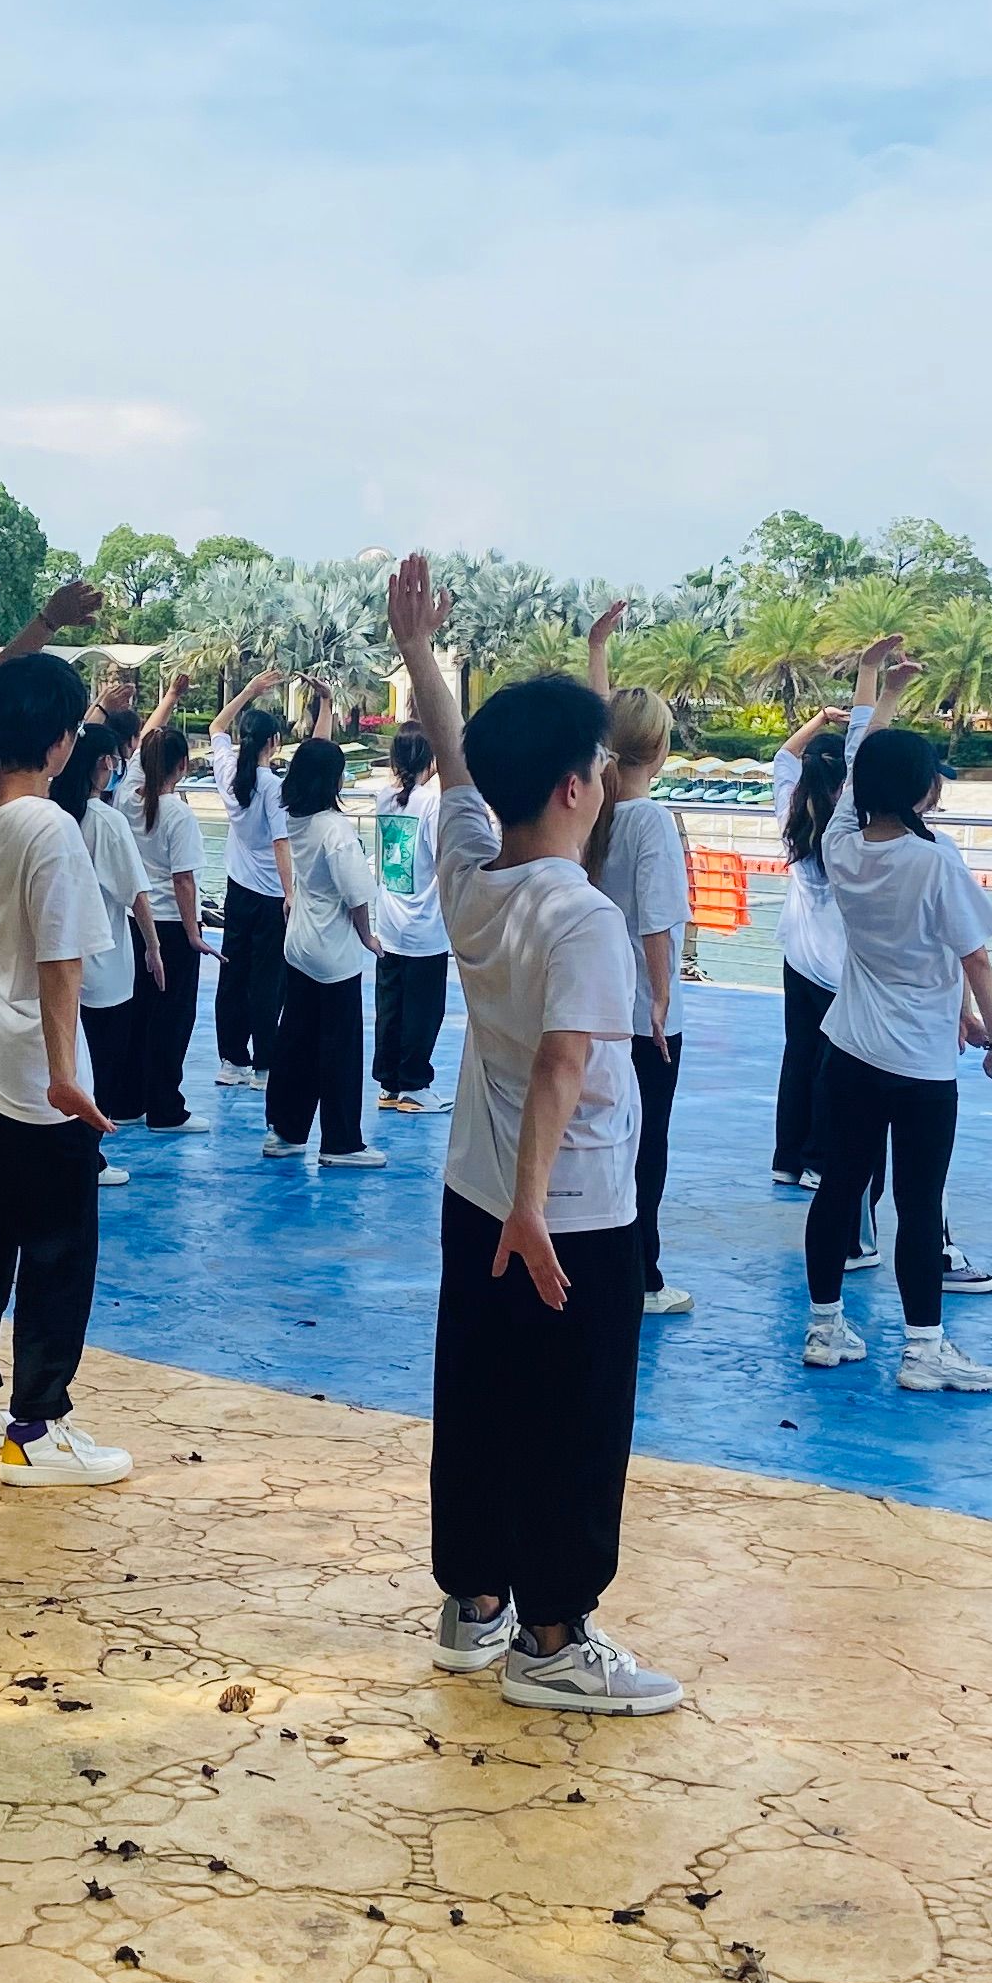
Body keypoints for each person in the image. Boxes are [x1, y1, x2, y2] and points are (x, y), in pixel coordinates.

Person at [385, 552, 676, 1714]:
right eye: (598, 769)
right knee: (574, 1416)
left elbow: (457, 762)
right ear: (570, 787)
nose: (605, 783)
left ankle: (475, 1602)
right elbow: (566, 1062)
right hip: (570, 1214)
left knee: (481, 1391)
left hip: (478, 1194)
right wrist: (533, 1206)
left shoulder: (472, 873)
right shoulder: (582, 917)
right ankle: (554, 1635)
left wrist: (419, 653)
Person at [0, 583, 128, 1487]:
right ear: (61, 743)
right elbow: (61, 967)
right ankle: (37, 1428)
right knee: (56, 1253)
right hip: (40, 1081)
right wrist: (65, 1074)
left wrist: (41, 624)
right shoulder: (50, 827)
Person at [801, 638, 992, 1393]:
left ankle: (825, 1326)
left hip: (849, 1051)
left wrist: (881, 695)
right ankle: (924, 1350)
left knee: (839, 1188)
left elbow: (857, 761)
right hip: (919, 1066)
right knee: (919, 1205)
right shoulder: (935, 860)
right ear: (925, 789)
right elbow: (974, 957)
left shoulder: (842, 844)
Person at [585, 618, 695, 1315]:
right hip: (642, 1016)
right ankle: (642, 1275)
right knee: (646, 1147)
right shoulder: (649, 820)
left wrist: (597, 652)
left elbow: (599, 737)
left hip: (594, 1005)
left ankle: (603, 1265)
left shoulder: (592, 808)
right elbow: (657, 920)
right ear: (658, 749)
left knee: (603, 1143)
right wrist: (660, 999)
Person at [263, 735, 385, 1166]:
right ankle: (341, 1142)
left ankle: (286, 1131)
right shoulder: (334, 829)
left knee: (296, 1041)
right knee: (339, 1048)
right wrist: (368, 937)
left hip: (299, 944)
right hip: (332, 953)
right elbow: (356, 894)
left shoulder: (297, 819)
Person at [67, 719, 164, 1140]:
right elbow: (135, 892)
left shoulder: (54, 811)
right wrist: (153, 947)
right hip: (104, 965)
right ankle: (91, 1154)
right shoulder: (105, 820)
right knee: (102, 1063)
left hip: (60, 960)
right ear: (105, 763)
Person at [767, 708, 848, 1189]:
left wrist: (819, 718)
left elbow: (783, 756)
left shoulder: (789, 815)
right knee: (830, 1064)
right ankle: (818, 1160)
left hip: (797, 956)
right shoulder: (847, 829)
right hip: (838, 966)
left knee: (797, 1057)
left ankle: (787, 1159)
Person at [206, 671, 298, 1087]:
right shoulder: (272, 787)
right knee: (267, 979)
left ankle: (232, 1060)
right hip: (269, 893)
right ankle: (264, 1064)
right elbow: (281, 844)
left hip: (237, 889)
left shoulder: (227, 771)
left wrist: (248, 691)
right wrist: (290, 893)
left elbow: (216, 727)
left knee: (233, 972)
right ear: (273, 742)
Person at [127, 714, 211, 1134]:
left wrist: (171, 700)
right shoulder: (177, 814)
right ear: (182, 766)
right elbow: (184, 880)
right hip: (172, 928)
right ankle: (165, 1108)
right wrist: (194, 933)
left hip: (135, 921)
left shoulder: (126, 799)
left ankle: (127, 1100)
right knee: (172, 1019)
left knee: (137, 1014)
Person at [369, 725, 452, 1114]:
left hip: (389, 921)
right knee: (423, 1009)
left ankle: (389, 1083)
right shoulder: (431, 803)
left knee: (391, 1006)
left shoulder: (384, 797)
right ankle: (415, 1085)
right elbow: (443, 858)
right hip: (424, 924)